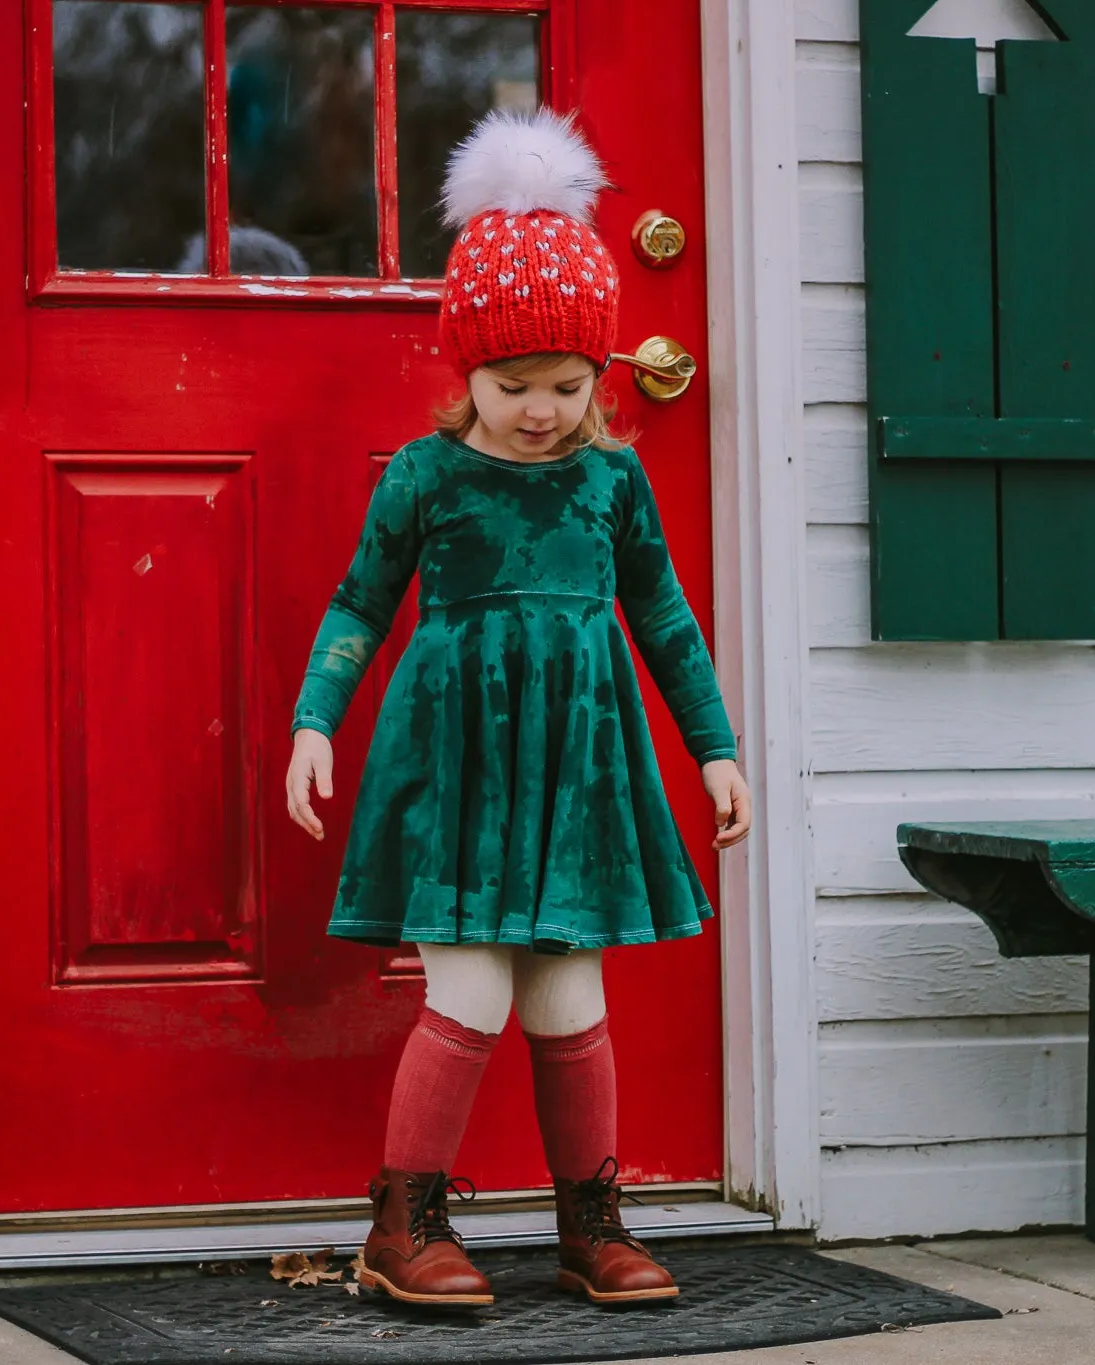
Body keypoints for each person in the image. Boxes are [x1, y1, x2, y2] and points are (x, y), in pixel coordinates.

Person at [283, 108, 752, 1308]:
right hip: (456, 772)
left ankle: (589, 1222)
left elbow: (663, 620)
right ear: (464, 369)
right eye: (510, 383)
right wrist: (311, 723)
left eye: (564, 383)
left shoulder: (611, 478)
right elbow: (355, 605)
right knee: (470, 990)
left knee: (568, 992)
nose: (538, 409)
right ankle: (402, 1223)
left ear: (599, 376)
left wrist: (713, 750)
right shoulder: (427, 476)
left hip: (577, 773)